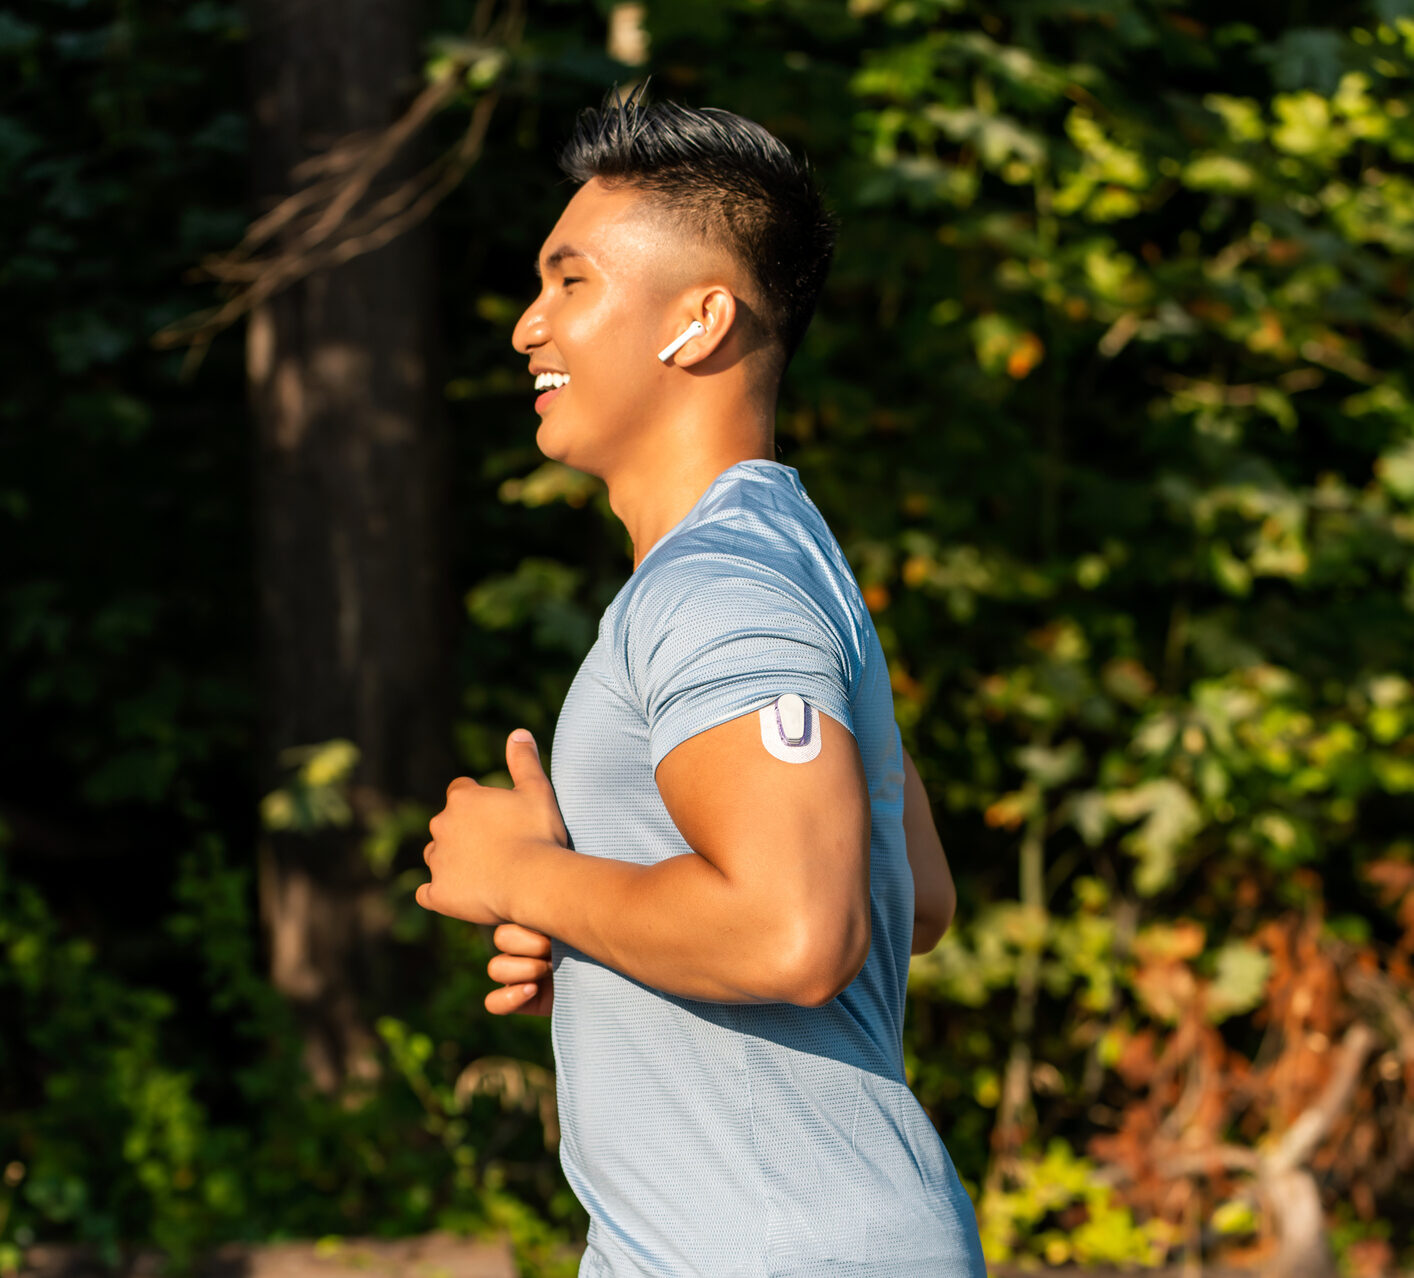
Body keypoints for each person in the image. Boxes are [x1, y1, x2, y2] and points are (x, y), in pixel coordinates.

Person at [417, 84, 987, 1276]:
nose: (528, 325)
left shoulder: (723, 590)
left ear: (699, 322)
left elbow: (794, 934)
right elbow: (912, 897)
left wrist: (522, 874)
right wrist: (583, 920)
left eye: (570, 282)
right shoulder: (788, 563)